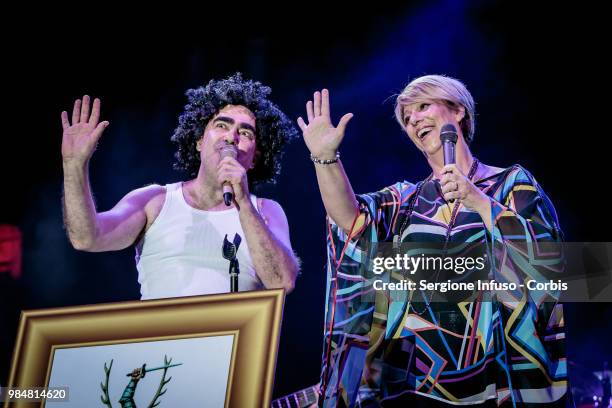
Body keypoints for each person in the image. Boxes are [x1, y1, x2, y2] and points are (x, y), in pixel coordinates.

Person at [298, 75, 567, 406]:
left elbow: (550, 263)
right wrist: (325, 159)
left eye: (424, 106)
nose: (413, 120)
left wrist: (481, 203)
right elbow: (351, 222)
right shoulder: (406, 202)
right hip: (415, 386)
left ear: (458, 111)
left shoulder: (511, 183)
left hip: (496, 377)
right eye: (407, 118)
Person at [62, 73, 299, 299]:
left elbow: (282, 282)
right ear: (199, 142)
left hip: (235, 339)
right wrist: (74, 166)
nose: (231, 137)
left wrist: (244, 203)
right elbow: (86, 238)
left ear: (255, 158)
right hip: (160, 339)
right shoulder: (155, 201)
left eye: (245, 132)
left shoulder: (266, 211)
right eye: (222, 125)